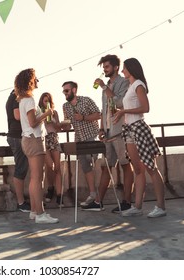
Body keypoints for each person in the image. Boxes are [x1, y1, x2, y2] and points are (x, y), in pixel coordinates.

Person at [113, 57, 166, 218]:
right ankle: (137, 206)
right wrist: (120, 112)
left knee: (151, 168)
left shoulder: (138, 85)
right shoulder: (130, 86)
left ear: (131, 69)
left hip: (139, 129)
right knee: (138, 169)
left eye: (124, 68)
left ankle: (160, 207)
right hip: (129, 130)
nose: (122, 71)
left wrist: (123, 112)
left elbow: (145, 108)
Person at [81, 54, 134, 212]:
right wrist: (101, 128)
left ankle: (127, 202)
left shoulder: (123, 82)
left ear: (116, 67)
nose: (104, 70)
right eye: (103, 67)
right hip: (109, 132)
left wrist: (104, 87)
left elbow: (120, 102)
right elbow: (104, 110)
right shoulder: (106, 86)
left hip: (121, 131)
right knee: (106, 167)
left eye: (107, 67)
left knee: (125, 165)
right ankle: (98, 202)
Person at [15, 68, 59, 224]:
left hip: (28, 139)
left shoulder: (23, 100)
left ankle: (34, 211)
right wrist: (47, 114)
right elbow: (33, 122)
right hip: (34, 140)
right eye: (36, 79)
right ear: (30, 81)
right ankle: (40, 214)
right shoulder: (30, 100)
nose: (38, 81)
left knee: (35, 177)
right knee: (38, 178)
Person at [61, 81, 101, 207]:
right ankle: (93, 194)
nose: (65, 93)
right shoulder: (65, 106)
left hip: (92, 136)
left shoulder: (86, 100)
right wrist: (64, 126)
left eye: (66, 91)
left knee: (93, 163)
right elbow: (68, 125)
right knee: (85, 167)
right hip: (79, 139)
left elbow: (98, 115)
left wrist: (83, 118)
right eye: (63, 91)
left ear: (74, 90)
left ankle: (99, 197)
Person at [6, 89, 31, 212]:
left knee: (22, 168)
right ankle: (21, 203)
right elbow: (17, 115)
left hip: (16, 136)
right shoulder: (17, 95)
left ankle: (24, 202)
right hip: (17, 136)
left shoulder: (13, 95)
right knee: (20, 168)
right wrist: (34, 116)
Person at [38, 92, 63, 206]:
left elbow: (59, 128)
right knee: (50, 166)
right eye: (44, 100)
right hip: (44, 139)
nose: (46, 102)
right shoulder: (39, 112)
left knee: (57, 167)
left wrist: (53, 120)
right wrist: (43, 117)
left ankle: (59, 195)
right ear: (41, 102)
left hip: (53, 138)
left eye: (48, 100)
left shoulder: (54, 112)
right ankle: (50, 188)